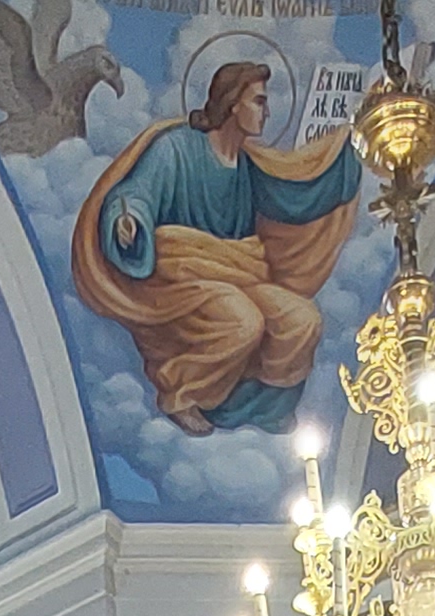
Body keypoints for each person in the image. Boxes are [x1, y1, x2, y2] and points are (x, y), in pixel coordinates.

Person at [71, 59, 363, 435]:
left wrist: (345, 151)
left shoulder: (249, 164)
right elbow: (135, 193)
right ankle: (179, 393)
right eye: (258, 101)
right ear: (231, 103)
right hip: (182, 276)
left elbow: (297, 195)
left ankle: (256, 406)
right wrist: (129, 220)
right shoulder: (176, 148)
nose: (267, 111)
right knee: (243, 322)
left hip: (238, 275)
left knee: (302, 319)